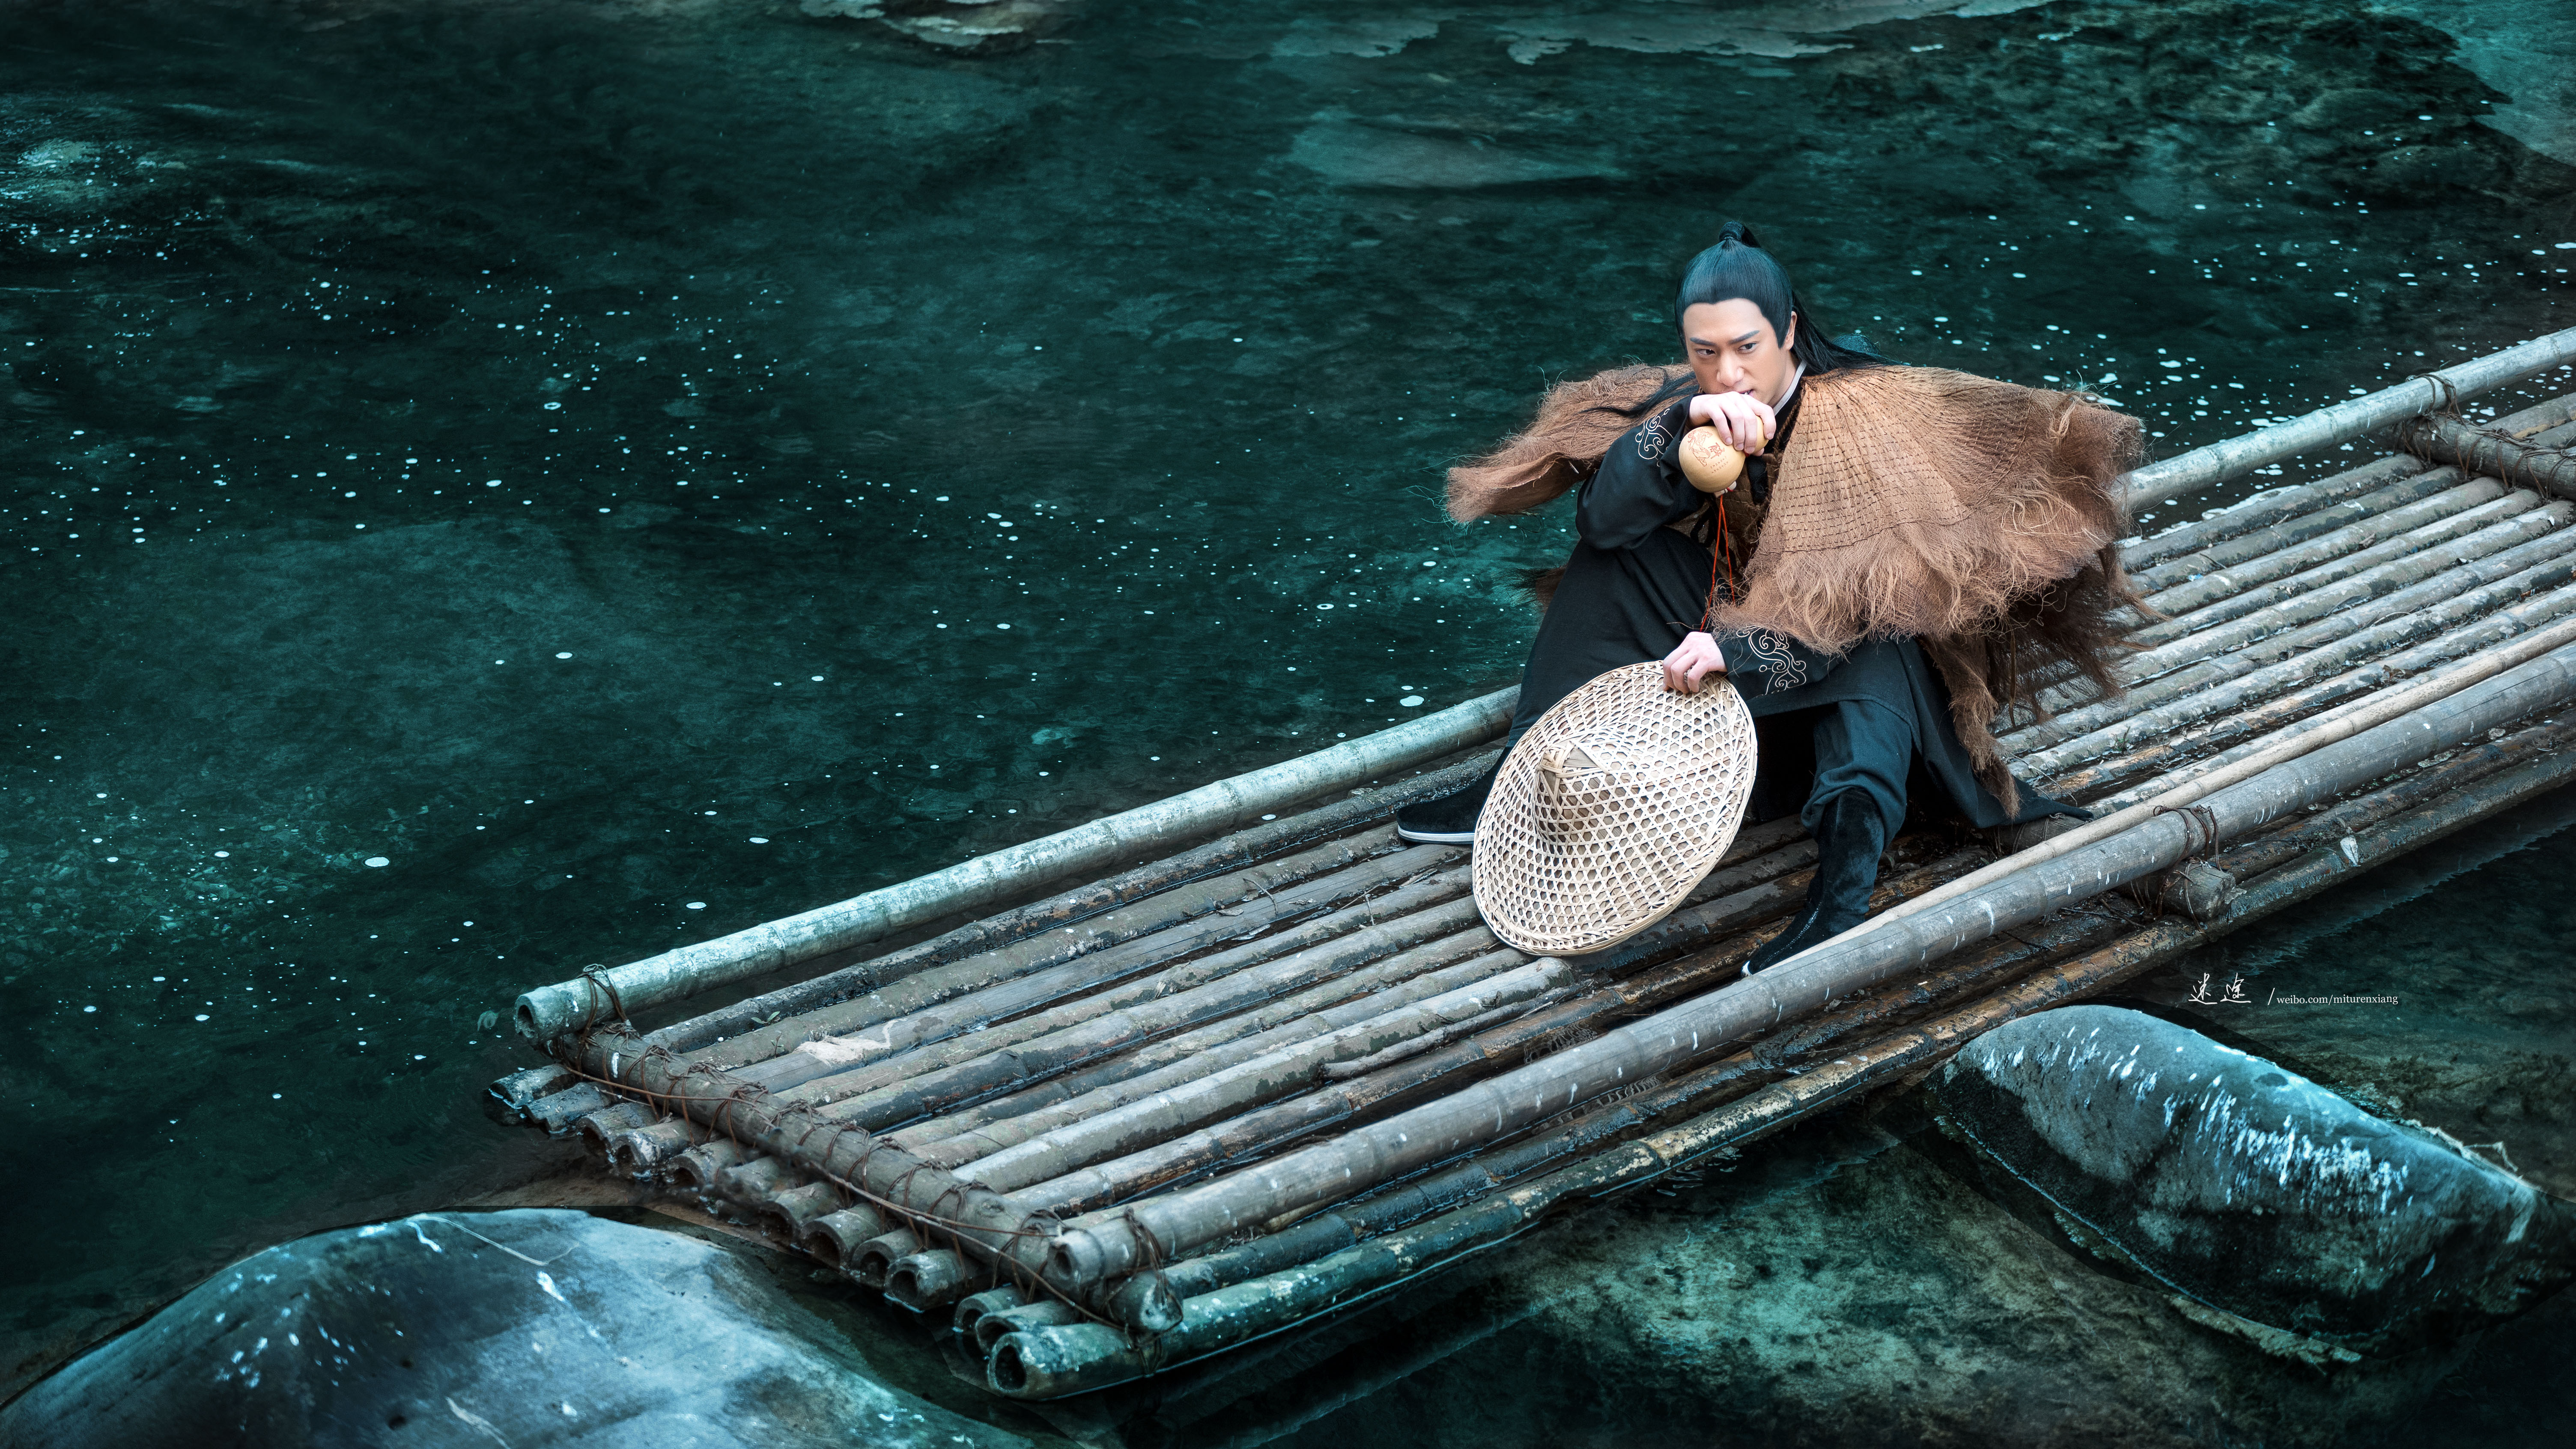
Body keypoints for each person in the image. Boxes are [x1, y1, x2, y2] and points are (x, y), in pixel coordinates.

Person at [1396, 222, 2142, 974]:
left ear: (1787, 330)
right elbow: (1602, 521)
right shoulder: (1698, 401)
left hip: (1849, 672)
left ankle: (1845, 881)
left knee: (1883, 643)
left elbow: (1854, 603)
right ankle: (1525, 767)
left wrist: (1738, 651)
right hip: (1738, 663)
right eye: (1704, 352)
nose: (1727, 373)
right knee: (1616, 554)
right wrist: (1678, 425)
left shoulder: (1861, 420)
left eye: (1747, 348)